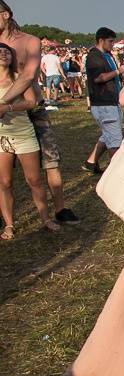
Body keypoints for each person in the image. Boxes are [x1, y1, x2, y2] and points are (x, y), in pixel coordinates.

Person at [0, 0, 79, 225]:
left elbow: (28, 75)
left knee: (49, 159)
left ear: (5, 14)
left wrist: (4, 102)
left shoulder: (30, 41)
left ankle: (60, 208)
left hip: (32, 107)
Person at [0, 42, 60, 239]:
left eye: (7, 52)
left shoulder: (20, 78)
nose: (3, 54)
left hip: (24, 134)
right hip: (2, 137)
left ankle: (45, 218)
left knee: (34, 180)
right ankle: (9, 225)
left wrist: (7, 108)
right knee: (5, 182)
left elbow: (31, 102)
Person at [83, 27, 124, 174]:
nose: (112, 44)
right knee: (115, 140)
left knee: (109, 134)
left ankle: (90, 162)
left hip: (111, 101)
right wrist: (117, 72)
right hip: (103, 103)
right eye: (110, 41)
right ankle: (115, 173)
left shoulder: (107, 55)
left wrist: (120, 77)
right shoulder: (94, 56)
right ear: (101, 40)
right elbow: (99, 78)